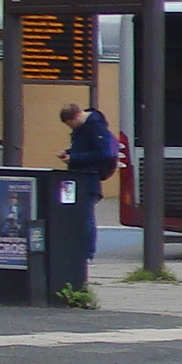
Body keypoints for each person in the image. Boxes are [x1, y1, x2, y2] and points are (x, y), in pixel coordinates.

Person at [56, 101, 118, 261]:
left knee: (85, 216)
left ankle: (87, 253)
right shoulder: (85, 127)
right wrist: (69, 152)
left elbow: (103, 153)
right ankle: (79, 250)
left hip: (88, 177)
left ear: (77, 116)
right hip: (78, 175)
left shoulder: (95, 127)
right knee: (75, 214)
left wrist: (74, 157)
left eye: (72, 125)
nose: (72, 128)